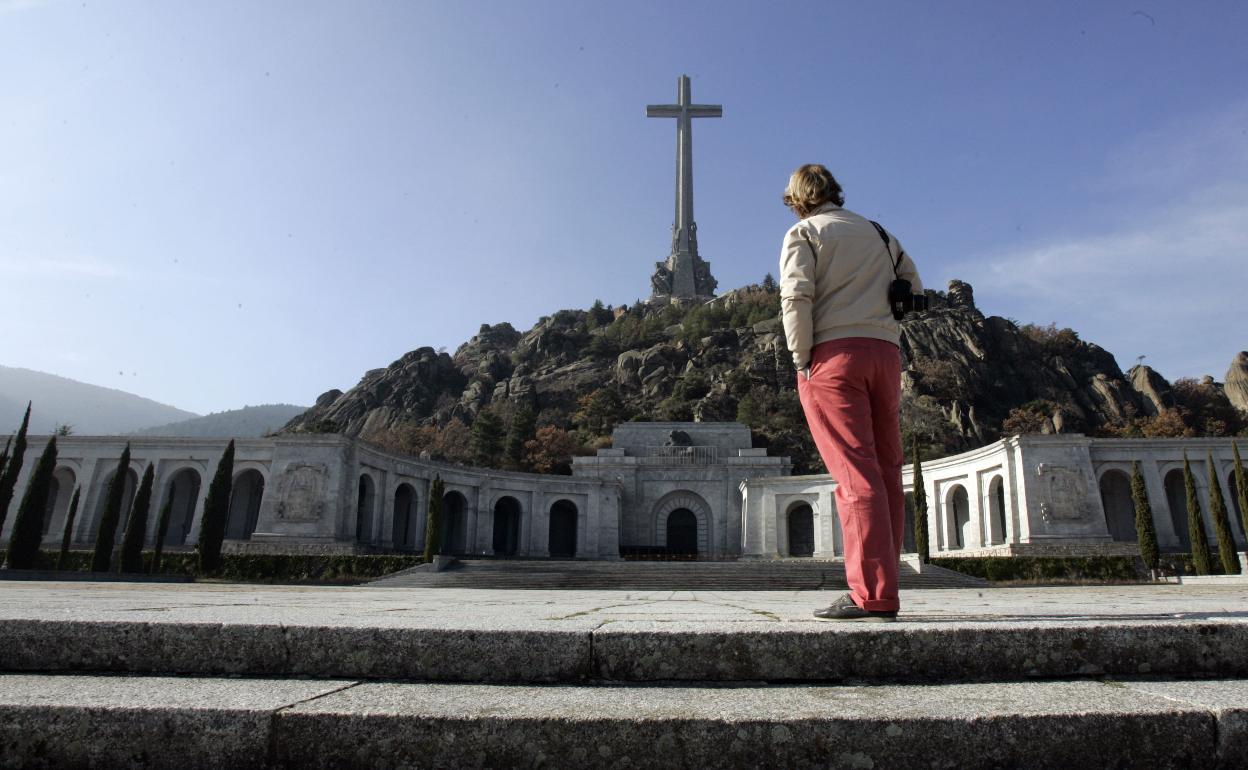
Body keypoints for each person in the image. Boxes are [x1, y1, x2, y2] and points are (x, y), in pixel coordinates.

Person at [778, 163, 923, 622]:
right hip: (885, 355)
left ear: (799, 198)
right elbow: (914, 290)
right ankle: (884, 589)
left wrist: (801, 358)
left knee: (855, 475)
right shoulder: (880, 233)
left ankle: (870, 595)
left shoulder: (804, 233)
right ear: (835, 192)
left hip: (833, 358)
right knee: (885, 471)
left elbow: (795, 297)